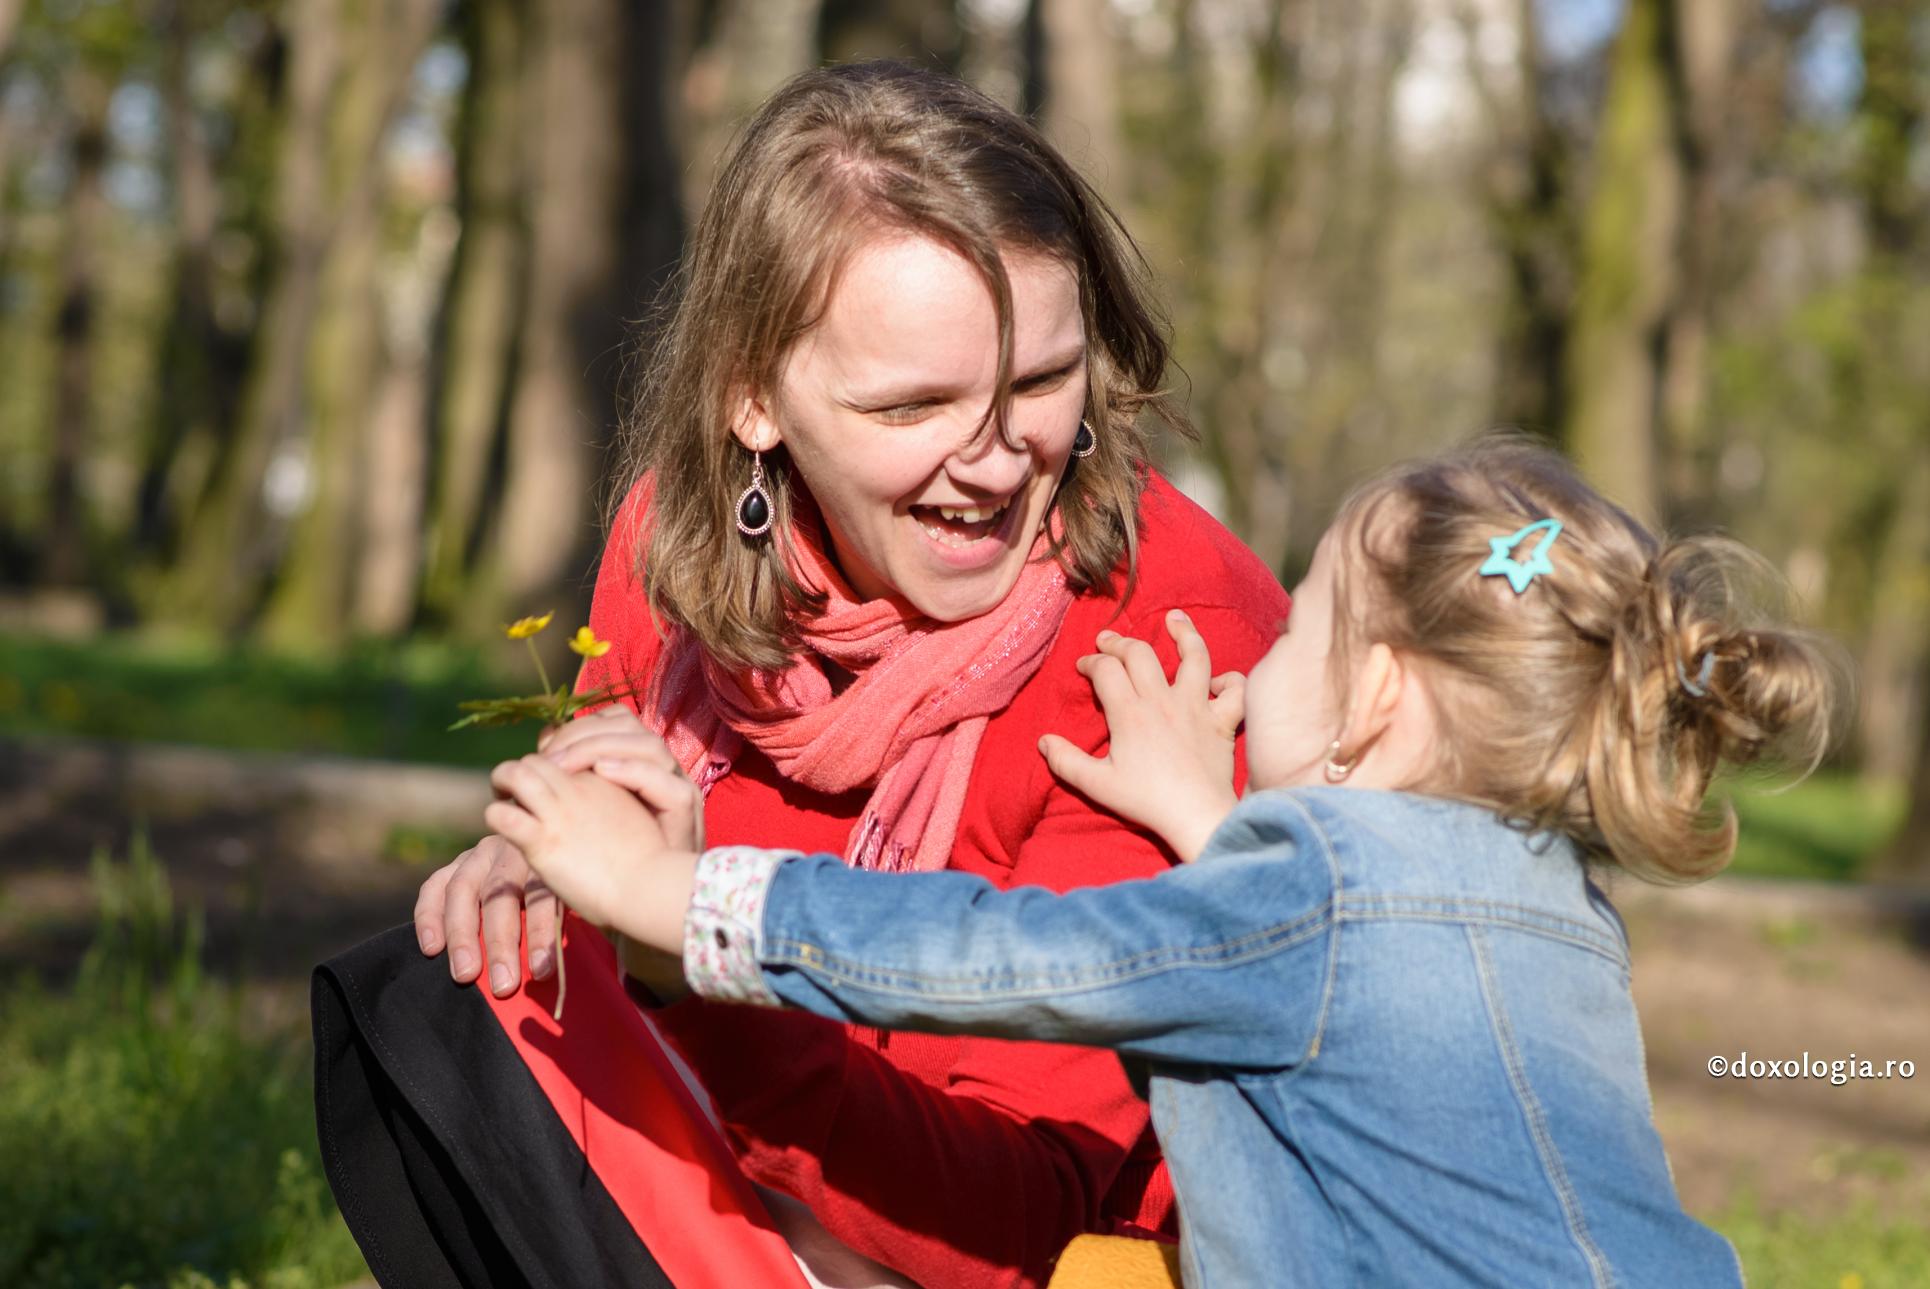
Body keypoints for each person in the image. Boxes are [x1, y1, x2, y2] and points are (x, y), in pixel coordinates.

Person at [487, 436, 1839, 1287]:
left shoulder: (1302, 903)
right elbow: (1367, 1004)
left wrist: (672, 897)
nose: (1262, 660)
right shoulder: (1563, 915)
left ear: (1369, 699)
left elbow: (985, 957)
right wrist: (1207, 822)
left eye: (1298, 623)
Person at [367, 60, 1290, 1288]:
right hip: (765, 1178)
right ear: (754, 399)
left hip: (1074, 1254)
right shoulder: (669, 547)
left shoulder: (1164, 631)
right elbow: (605, 859)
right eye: (913, 406)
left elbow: (1022, 1216)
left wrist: (683, 948)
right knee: (448, 998)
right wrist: (554, 874)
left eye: (1040, 382)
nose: (1000, 462)